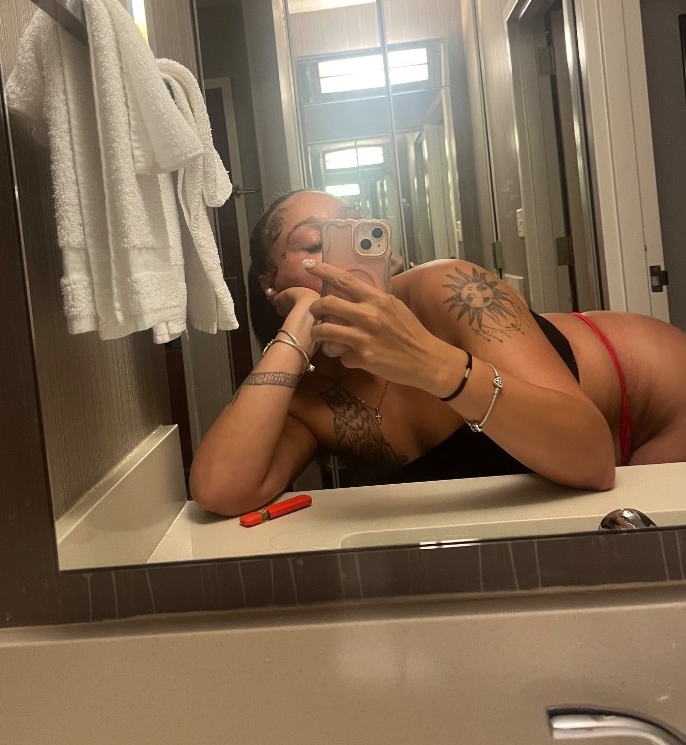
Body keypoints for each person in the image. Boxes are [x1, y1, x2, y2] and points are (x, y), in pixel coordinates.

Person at [190, 190, 686, 516]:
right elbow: (220, 489)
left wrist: (427, 363)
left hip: (659, 401)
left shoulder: (446, 287)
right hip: (569, 479)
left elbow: (591, 458)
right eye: (316, 243)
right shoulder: (308, 400)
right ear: (270, 283)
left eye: (358, 234)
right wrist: (300, 322)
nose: (344, 258)